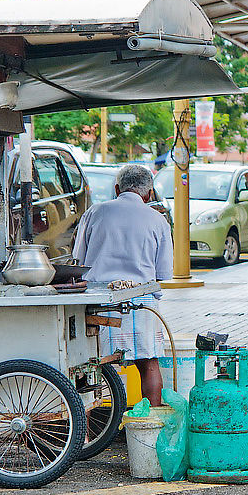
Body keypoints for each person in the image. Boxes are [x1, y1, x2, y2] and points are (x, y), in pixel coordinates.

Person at [72, 164, 172, 405]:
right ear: (148, 194)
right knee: (148, 363)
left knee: (88, 363)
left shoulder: (95, 212)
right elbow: (163, 273)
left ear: (117, 188)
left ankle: (84, 433)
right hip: (142, 300)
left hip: (98, 300)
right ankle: (151, 425)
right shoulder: (158, 221)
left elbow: (79, 260)